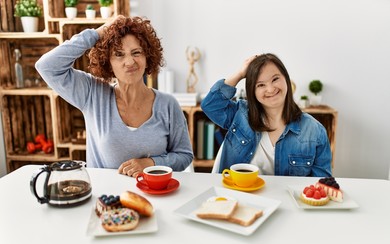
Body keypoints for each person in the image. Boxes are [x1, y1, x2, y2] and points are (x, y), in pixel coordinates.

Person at [36, 15, 193, 177]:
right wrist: (99, 32)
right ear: (107, 62)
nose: (130, 62)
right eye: (119, 54)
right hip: (106, 199)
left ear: (147, 57)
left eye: (136, 52)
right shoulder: (92, 94)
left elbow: (184, 155)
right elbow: (47, 66)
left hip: (155, 196)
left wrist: (151, 163)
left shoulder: (168, 104)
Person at [201, 53, 332, 177]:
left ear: (286, 79)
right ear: (253, 91)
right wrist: (240, 74)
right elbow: (210, 105)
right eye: (261, 85)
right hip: (237, 196)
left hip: (285, 200)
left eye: (275, 79)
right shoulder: (240, 114)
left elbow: (321, 184)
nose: (270, 89)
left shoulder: (315, 131)